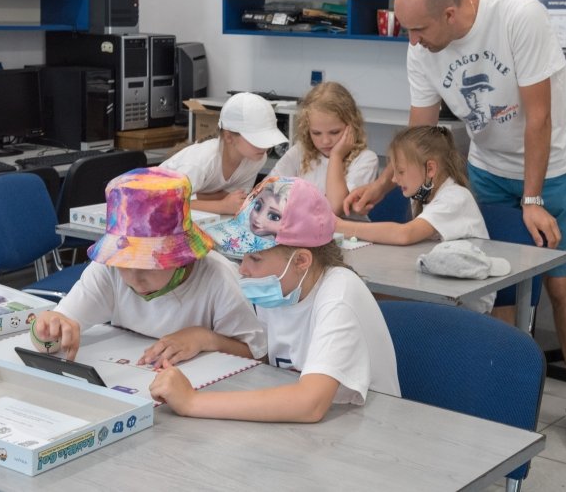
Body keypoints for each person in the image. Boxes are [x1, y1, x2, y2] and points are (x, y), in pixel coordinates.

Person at [344, 0, 566, 450]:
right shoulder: (420, 45)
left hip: (555, 163)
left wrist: (532, 198)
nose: (413, 41)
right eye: (407, 32)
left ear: (450, 12)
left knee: (563, 283)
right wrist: (384, 182)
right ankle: (496, 390)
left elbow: (538, 117)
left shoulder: (517, 16)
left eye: (419, 30)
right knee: (488, 283)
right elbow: (419, 131)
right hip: (486, 165)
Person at [149, 177, 400, 422]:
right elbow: (266, 356)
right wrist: (207, 339)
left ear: (301, 261)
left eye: (255, 259)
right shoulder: (283, 287)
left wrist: (192, 401)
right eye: (242, 257)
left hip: (367, 432)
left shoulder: (339, 295)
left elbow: (310, 404)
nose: (242, 270)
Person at [31, 167, 267, 366]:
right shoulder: (108, 269)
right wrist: (45, 332)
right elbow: (58, 330)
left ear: (182, 256)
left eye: (149, 264)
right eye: (125, 262)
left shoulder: (218, 277)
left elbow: (257, 354)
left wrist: (206, 338)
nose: (134, 277)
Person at [336, 125, 495, 314]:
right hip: (436, 285)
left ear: (430, 169)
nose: (394, 179)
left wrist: (338, 225)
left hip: (465, 301)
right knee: (362, 298)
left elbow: (405, 234)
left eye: (400, 172)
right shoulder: (421, 195)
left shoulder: (455, 197)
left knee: (366, 302)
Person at [161, 92, 287, 215]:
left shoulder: (256, 158)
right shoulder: (201, 162)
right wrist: (221, 206)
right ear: (229, 137)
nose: (265, 146)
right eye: (257, 139)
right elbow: (165, 203)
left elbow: (234, 198)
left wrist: (202, 198)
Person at [268, 82, 378, 216]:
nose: (325, 141)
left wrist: (336, 156)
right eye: (316, 133)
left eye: (334, 132)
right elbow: (267, 192)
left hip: (346, 235)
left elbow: (334, 208)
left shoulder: (366, 160)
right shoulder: (300, 151)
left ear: (352, 126)